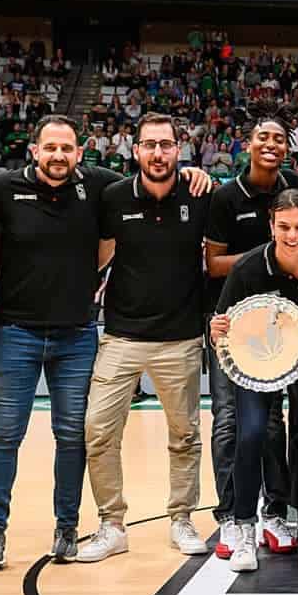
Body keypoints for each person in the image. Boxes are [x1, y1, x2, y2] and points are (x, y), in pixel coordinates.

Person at [0, 115, 209, 571]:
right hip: (16, 333)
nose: (59, 156)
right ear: (35, 150)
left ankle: (67, 528)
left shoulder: (102, 187)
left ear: (80, 153)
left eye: (68, 149)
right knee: (5, 435)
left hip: (76, 335)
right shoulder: (3, 189)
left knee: (72, 437)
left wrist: (193, 173)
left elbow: (131, 209)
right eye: (50, 148)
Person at [77, 114, 212, 564]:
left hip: (181, 337)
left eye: (167, 145)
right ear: (134, 150)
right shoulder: (113, 196)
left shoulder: (199, 193)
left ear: (180, 150)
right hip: (121, 334)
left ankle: (181, 519)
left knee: (185, 435)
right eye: (149, 145)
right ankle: (112, 524)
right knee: (97, 431)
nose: (158, 153)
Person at [209, 189, 298, 572]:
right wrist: (217, 329)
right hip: (258, 362)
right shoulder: (248, 268)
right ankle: (246, 530)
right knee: (250, 434)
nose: (293, 235)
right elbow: (221, 326)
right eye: (284, 227)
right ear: (271, 226)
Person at [204, 100, 298, 559]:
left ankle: (275, 512)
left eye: (279, 139)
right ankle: (229, 516)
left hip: (281, 331)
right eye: (262, 137)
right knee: (230, 423)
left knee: (272, 425)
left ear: (287, 148)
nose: (270, 144)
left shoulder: (296, 189)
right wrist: (271, 252)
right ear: (247, 145)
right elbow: (213, 264)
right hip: (232, 326)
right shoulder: (226, 197)